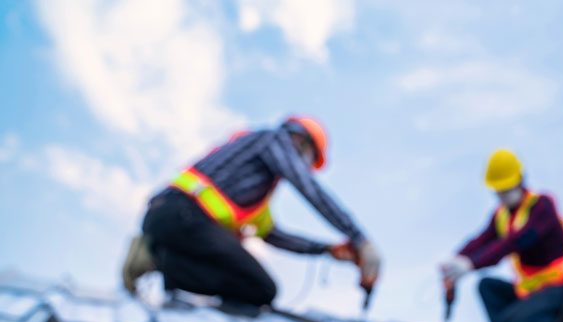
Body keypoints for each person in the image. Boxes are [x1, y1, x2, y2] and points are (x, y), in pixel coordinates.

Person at [121, 116, 380, 310]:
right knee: (259, 287)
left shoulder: (254, 197)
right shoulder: (272, 140)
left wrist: (327, 250)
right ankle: (160, 261)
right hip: (177, 213)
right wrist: (360, 239)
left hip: (181, 224)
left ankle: (169, 263)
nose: (307, 167)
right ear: (300, 141)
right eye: (310, 159)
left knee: (259, 289)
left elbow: (275, 235)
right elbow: (308, 187)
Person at [441, 149, 563, 322]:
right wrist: (456, 260)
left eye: (506, 189)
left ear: (520, 180)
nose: (502, 195)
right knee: (486, 287)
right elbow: (482, 240)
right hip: (531, 293)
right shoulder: (502, 216)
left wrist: (472, 264)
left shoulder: (542, 206)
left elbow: (515, 242)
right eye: (498, 190)